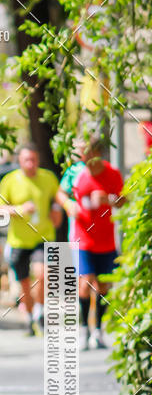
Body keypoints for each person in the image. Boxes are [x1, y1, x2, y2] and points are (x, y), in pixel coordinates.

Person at [0, 144, 62, 336]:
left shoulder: (48, 178)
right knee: (24, 284)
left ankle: (40, 313)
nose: (31, 164)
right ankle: (30, 317)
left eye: (34, 160)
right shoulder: (10, 180)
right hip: (19, 240)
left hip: (43, 236)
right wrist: (19, 209)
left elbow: (58, 197)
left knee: (42, 275)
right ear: (20, 161)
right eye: (26, 160)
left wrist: (57, 209)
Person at [69, 136, 125, 349]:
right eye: (82, 156)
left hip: (106, 240)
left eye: (88, 155)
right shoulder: (79, 175)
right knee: (84, 285)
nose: (85, 160)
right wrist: (69, 206)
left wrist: (109, 199)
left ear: (97, 154)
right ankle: (85, 329)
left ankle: (98, 331)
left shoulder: (112, 173)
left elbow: (123, 200)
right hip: (83, 239)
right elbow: (63, 195)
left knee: (103, 286)